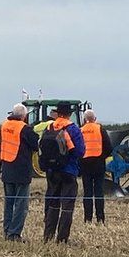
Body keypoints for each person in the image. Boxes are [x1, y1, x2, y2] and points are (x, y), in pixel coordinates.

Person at [40, 103, 85, 243]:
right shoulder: (72, 128)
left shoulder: (49, 127)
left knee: (53, 203)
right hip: (68, 170)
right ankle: (62, 238)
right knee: (67, 205)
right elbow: (80, 151)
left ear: (57, 113)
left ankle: (47, 236)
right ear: (69, 114)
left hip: (52, 171)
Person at [0, 103, 39, 242]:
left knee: (8, 203)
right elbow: (35, 145)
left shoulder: (4, 126)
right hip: (21, 170)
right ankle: (14, 234)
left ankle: (7, 231)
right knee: (21, 204)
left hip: (7, 169)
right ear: (24, 116)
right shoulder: (25, 129)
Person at [79, 110, 113, 224]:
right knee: (99, 191)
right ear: (95, 118)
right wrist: (102, 156)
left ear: (84, 119)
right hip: (98, 163)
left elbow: (78, 148)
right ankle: (100, 218)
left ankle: (87, 218)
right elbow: (109, 147)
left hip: (85, 164)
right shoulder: (100, 129)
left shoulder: (81, 130)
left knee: (87, 192)